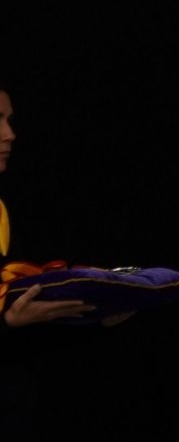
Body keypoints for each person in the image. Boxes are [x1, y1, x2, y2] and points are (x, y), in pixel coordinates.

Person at [0, 87, 102, 328]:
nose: (9, 134)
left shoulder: (3, 211)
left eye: (8, 120)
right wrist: (7, 324)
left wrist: (98, 314)